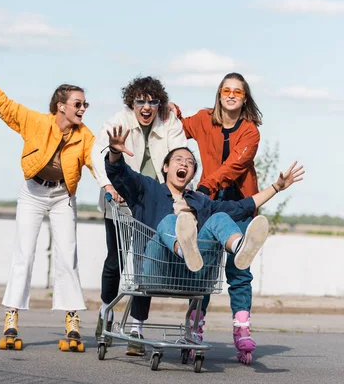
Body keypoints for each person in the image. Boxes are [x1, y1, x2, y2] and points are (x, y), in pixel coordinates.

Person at [105, 127, 304, 354]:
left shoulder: (200, 201)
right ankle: (183, 246)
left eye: (190, 163)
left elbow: (242, 207)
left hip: (193, 274)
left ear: (192, 175)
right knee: (170, 221)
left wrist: (277, 187)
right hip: (156, 268)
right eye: (178, 159)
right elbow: (119, 173)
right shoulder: (148, 189)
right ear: (166, 167)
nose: (184, 164)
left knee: (220, 217)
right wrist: (114, 151)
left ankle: (238, 247)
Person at [0, 52, 95, 347]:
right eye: (78, 103)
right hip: (33, 192)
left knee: (67, 255)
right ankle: (11, 317)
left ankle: (71, 318)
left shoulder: (85, 136)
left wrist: (112, 185)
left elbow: (99, 163)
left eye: (85, 103)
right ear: (61, 106)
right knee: (24, 254)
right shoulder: (34, 121)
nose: (84, 108)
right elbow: (2, 105)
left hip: (62, 197)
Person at [170, 72, 263, 363]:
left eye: (238, 91)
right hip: (209, 203)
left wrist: (207, 184)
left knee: (239, 270)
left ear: (245, 97)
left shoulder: (251, 131)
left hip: (240, 203)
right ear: (219, 93)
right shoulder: (203, 119)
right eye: (227, 90)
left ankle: (242, 331)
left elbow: (236, 165)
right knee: (205, 268)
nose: (232, 95)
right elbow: (179, 130)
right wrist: (175, 113)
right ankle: (194, 328)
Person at [91, 76, 187, 355]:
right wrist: (108, 185)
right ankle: (106, 312)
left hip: (152, 203)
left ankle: (136, 327)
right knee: (115, 262)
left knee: (148, 265)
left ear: (160, 103)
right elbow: (98, 153)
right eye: (140, 101)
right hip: (119, 200)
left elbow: (182, 155)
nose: (146, 107)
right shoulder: (118, 121)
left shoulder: (169, 123)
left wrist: (180, 194)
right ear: (131, 102)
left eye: (152, 101)